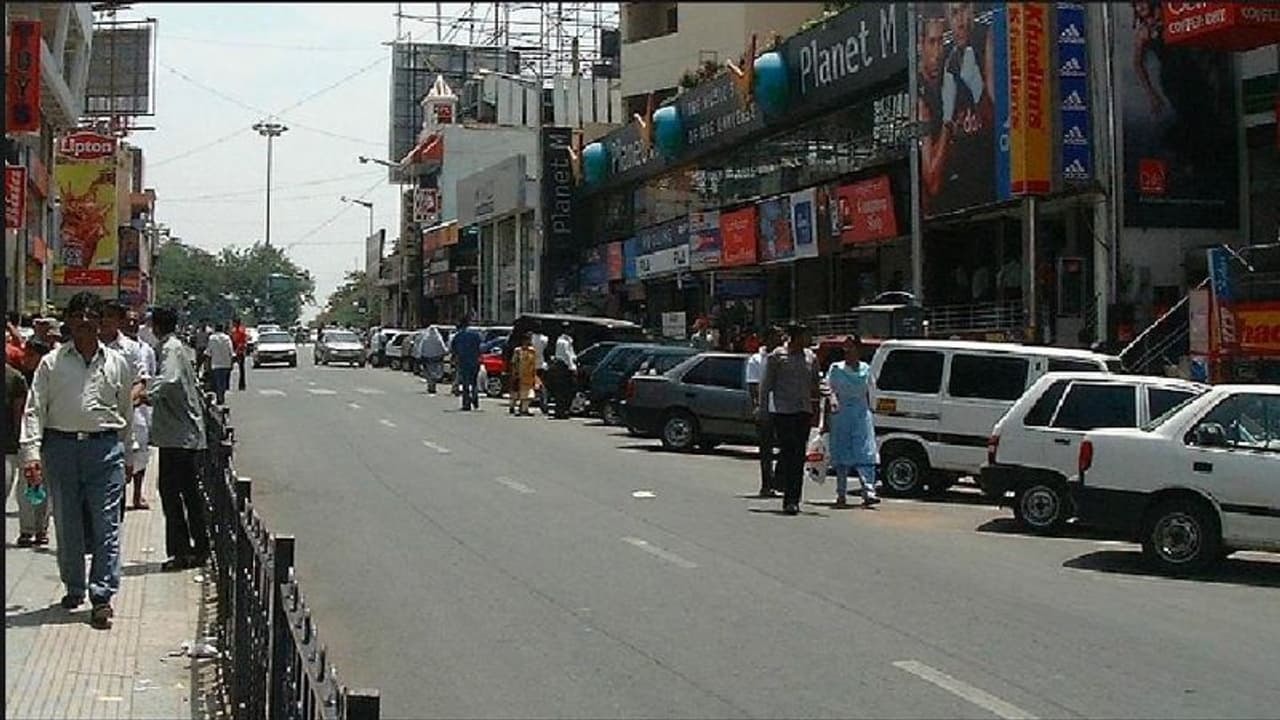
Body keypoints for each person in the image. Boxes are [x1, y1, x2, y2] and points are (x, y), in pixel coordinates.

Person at [19, 292, 136, 629]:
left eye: (91, 316)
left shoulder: (117, 363)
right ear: (68, 321)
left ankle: (102, 596)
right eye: (78, 316)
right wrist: (31, 455)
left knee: (106, 526)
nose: (84, 322)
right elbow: (34, 410)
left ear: (101, 322)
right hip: (61, 450)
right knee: (67, 525)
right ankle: (74, 587)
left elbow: (125, 412)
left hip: (105, 451)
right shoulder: (52, 363)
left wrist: (127, 455)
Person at [147, 307, 210, 572]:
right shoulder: (175, 346)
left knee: (174, 495)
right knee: (187, 495)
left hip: (178, 437)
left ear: (155, 326)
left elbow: (170, 379)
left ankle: (183, 552)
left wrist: (146, 394)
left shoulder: (170, 348)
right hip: (179, 435)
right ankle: (198, 548)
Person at [758, 322, 821, 515]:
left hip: (803, 411)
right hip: (784, 412)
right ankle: (787, 496)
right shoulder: (777, 356)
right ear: (795, 337)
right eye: (805, 336)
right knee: (788, 452)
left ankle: (794, 498)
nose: (808, 340)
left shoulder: (811, 357)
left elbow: (817, 382)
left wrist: (826, 402)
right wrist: (763, 410)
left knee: (798, 455)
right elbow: (766, 385)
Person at [99, 301, 151, 517]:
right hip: (93, 421)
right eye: (103, 316)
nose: (105, 321)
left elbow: (141, 381)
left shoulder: (131, 349)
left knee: (120, 472)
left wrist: (124, 403)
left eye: (111, 316)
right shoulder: (88, 345)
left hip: (122, 420)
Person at [823, 335, 880, 508]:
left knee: (865, 451)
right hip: (841, 415)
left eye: (851, 348)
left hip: (861, 414)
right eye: (845, 349)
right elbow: (828, 388)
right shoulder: (836, 369)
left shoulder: (866, 369)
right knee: (842, 453)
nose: (848, 352)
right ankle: (841, 494)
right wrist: (830, 404)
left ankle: (868, 490)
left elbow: (871, 392)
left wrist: (873, 411)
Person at [7, 361, 50, 547]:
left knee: (38, 486)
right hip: (22, 441)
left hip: (37, 439)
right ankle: (27, 529)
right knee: (26, 488)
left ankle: (40, 528)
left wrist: (22, 439)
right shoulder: (21, 375)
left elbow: (22, 412)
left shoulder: (18, 377)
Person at [122, 310, 156, 510]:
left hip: (140, 411)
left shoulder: (147, 350)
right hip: (118, 410)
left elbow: (149, 379)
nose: (133, 323)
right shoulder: (115, 349)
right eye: (129, 320)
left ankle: (137, 494)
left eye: (136, 320)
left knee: (141, 454)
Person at [746, 326, 784, 498]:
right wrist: (757, 407)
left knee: (786, 447)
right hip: (766, 409)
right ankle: (766, 484)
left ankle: (779, 480)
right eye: (776, 337)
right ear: (768, 339)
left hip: (783, 408)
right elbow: (753, 386)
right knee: (766, 450)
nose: (780, 340)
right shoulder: (756, 360)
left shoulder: (783, 357)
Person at [449, 316, 483, 411]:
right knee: (474, 382)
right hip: (475, 361)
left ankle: (466, 403)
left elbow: (453, 350)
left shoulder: (458, 336)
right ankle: (475, 399)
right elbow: (480, 347)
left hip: (463, 362)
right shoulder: (476, 335)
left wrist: (454, 359)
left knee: (465, 384)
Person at [548, 324, 578, 418]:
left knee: (561, 392)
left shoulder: (566, 340)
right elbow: (567, 356)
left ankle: (561, 410)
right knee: (563, 391)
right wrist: (573, 368)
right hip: (563, 368)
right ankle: (561, 411)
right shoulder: (563, 342)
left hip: (561, 367)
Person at [509, 333, 538, 416]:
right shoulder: (518, 351)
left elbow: (533, 363)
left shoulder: (532, 351)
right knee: (517, 393)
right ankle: (513, 406)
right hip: (519, 375)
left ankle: (524, 409)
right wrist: (514, 373)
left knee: (528, 395)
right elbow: (514, 363)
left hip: (529, 376)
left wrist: (534, 375)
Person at [206, 323, 234, 406]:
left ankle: (219, 397)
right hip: (226, 363)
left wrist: (207, 363)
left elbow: (208, 352)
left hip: (216, 363)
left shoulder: (212, 338)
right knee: (224, 382)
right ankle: (221, 396)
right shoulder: (227, 338)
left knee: (218, 381)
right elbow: (231, 351)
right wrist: (231, 362)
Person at [420, 325, 447, 394]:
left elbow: (421, 348)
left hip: (427, 358)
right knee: (435, 372)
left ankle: (430, 385)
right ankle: (433, 385)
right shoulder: (438, 339)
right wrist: (445, 352)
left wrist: (420, 355)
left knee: (428, 372)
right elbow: (442, 347)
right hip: (437, 358)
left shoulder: (425, 339)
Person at [531, 330, 550, 414]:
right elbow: (546, 351)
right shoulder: (544, 339)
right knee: (543, 386)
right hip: (541, 364)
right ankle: (544, 405)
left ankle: (524, 404)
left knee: (528, 384)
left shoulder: (531, 338)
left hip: (530, 364)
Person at [230, 317, 248, 391]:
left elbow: (243, 341)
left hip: (239, 351)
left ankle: (242, 385)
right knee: (230, 368)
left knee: (241, 369)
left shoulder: (241, 331)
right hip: (234, 350)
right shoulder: (233, 331)